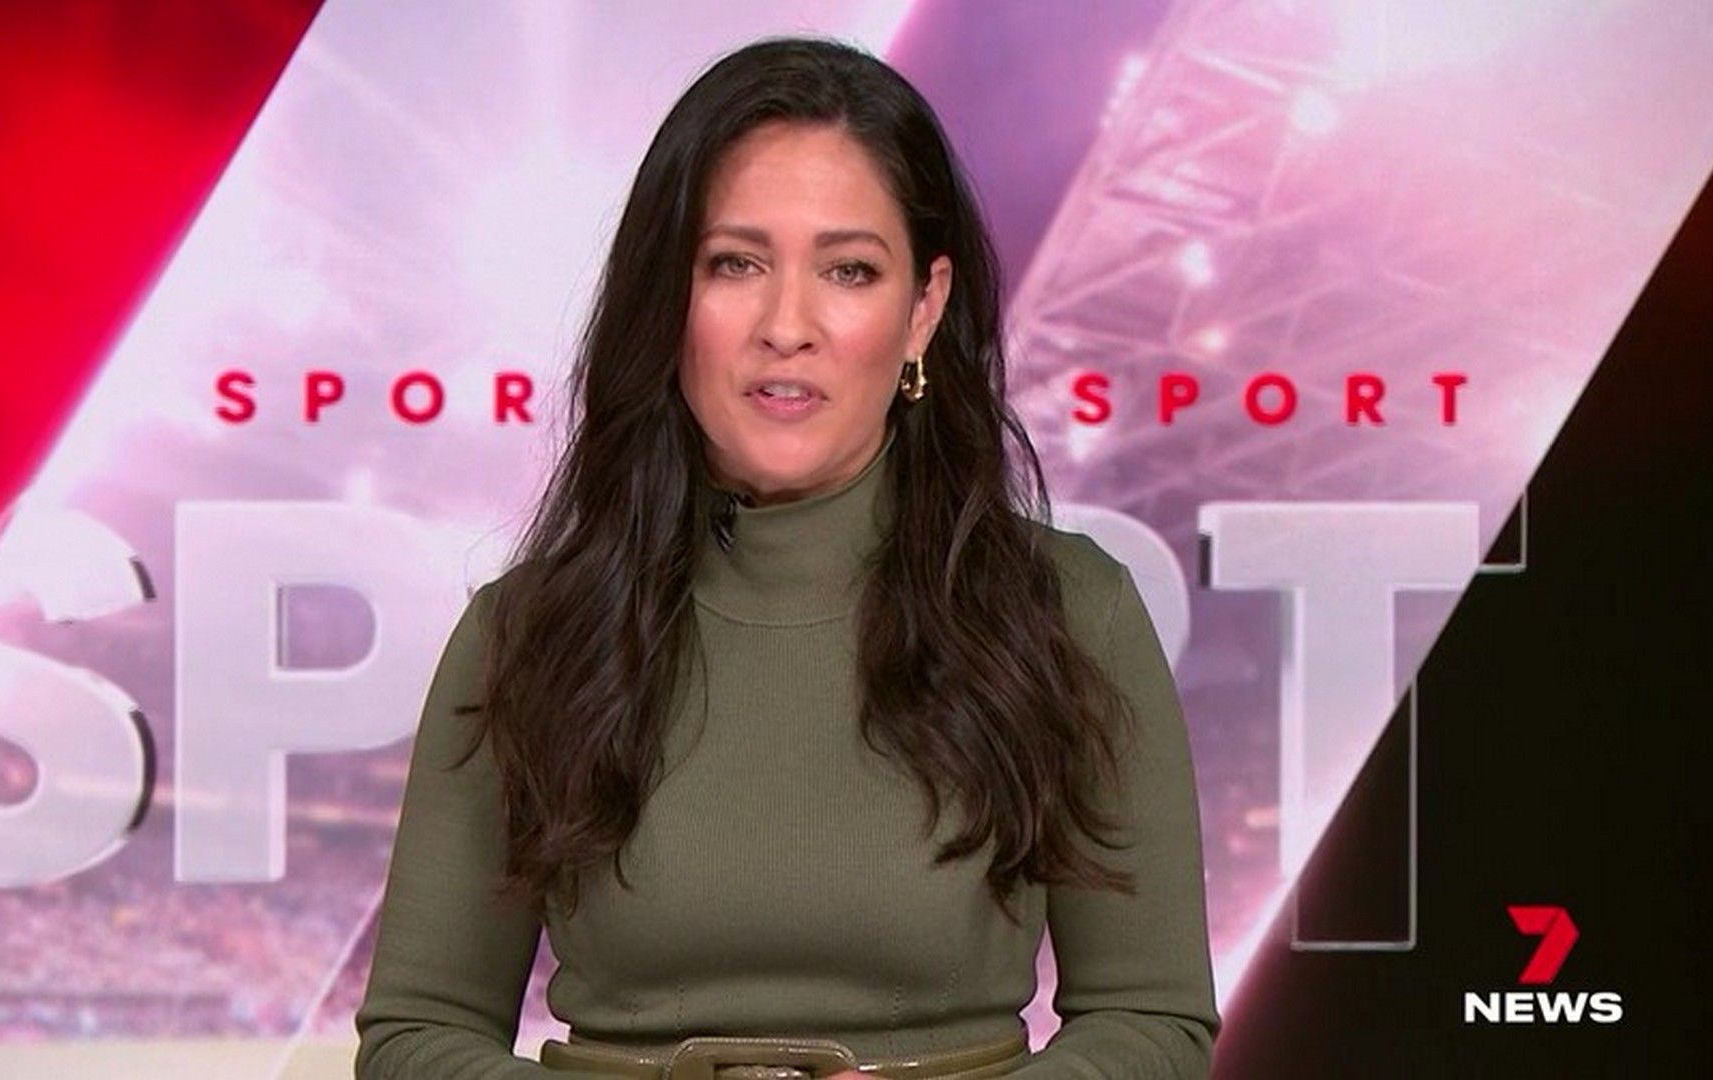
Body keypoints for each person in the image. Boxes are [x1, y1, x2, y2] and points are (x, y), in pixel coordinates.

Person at [355, 34, 1219, 1080]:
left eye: (849, 270)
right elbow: (417, 1037)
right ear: (668, 297)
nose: (787, 325)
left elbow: (1150, 1024)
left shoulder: (1072, 612)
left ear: (924, 308)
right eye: (736, 263)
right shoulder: (525, 634)